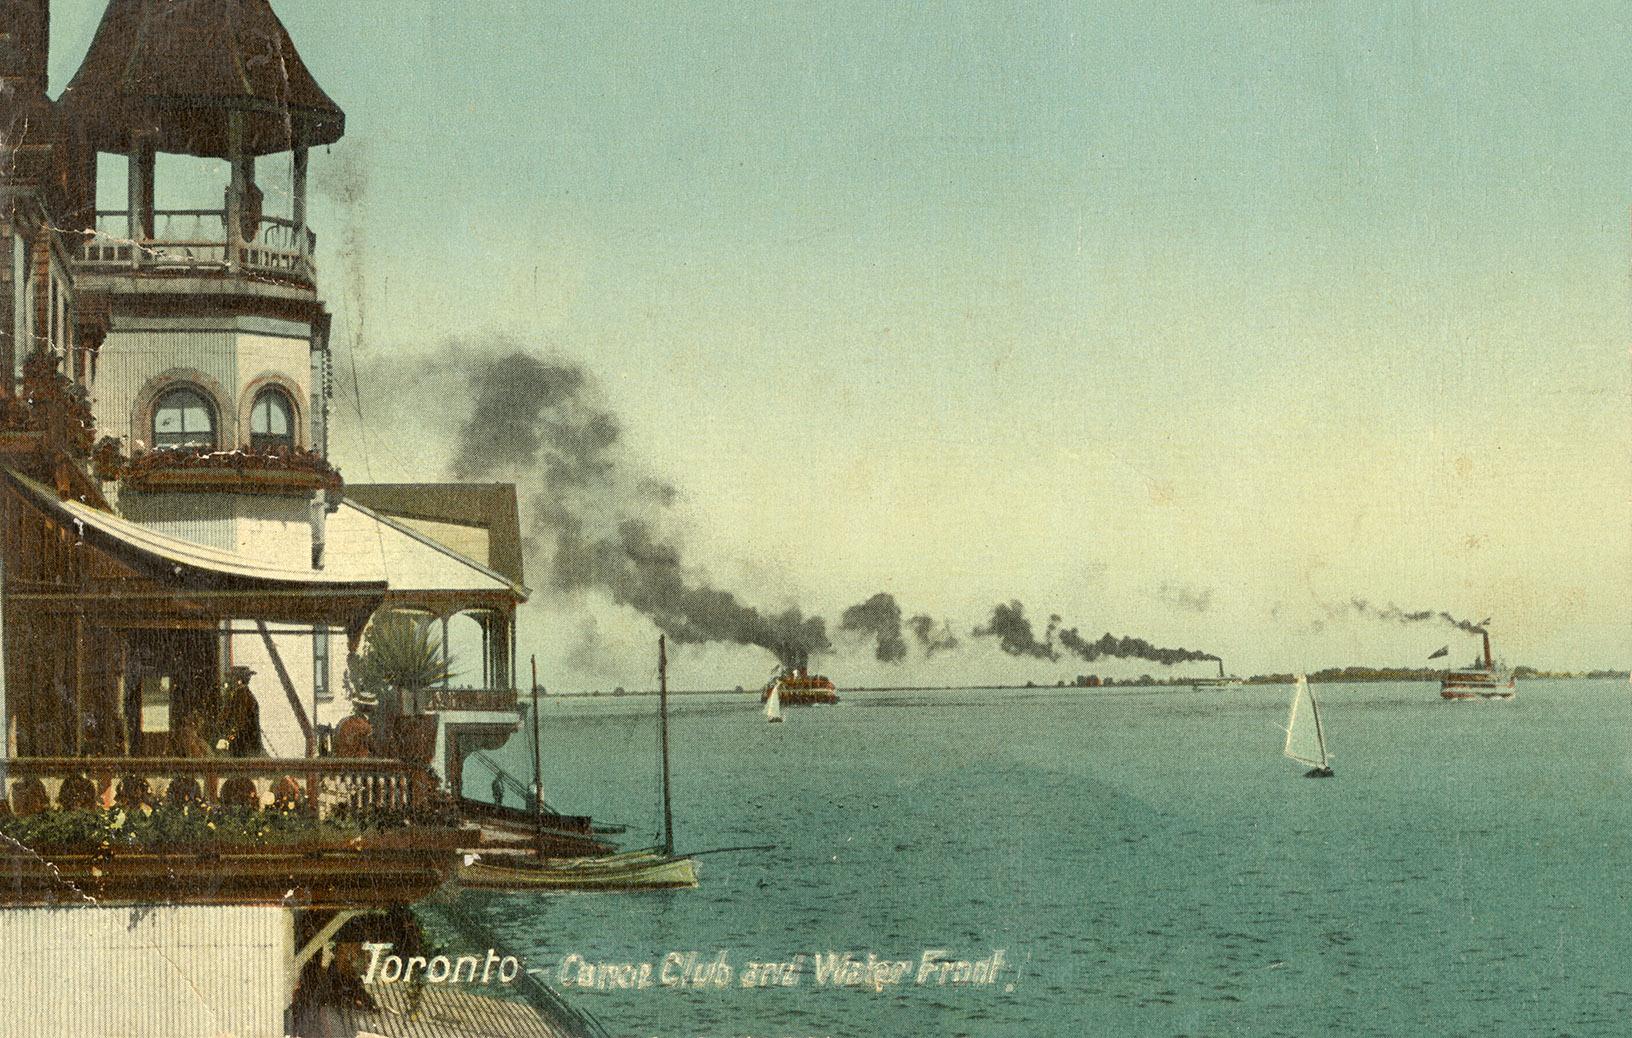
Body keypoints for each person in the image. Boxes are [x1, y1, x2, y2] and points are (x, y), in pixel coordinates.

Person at [223, 666, 264, 757]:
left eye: (231, 677)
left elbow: (239, 721)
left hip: (244, 743)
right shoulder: (243, 694)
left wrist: (230, 737)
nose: (229, 680)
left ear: (238, 680)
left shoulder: (242, 695)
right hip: (246, 742)